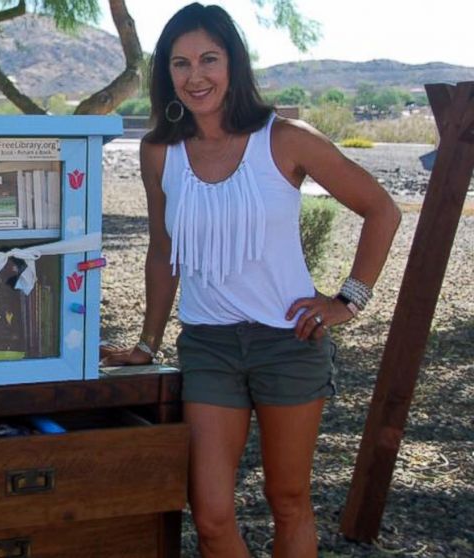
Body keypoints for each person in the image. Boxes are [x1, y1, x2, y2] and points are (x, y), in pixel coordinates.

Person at [101, 3, 401, 557]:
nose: (196, 76)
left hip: (288, 343)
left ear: (233, 64)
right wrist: (148, 342)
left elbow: (382, 209)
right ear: (165, 74)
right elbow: (163, 250)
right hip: (209, 345)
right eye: (180, 63)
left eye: (209, 59)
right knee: (211, 516)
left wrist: (347, 299)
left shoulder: (286, 139)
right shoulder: (158, 151)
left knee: (287, 500)